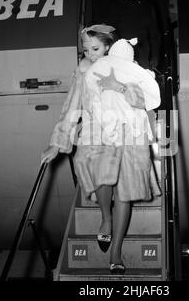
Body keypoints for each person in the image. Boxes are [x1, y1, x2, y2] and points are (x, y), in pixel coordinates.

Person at [41, 24, 160, 274]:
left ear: (108, 46)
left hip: (128, 134)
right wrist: (57, 142)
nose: (90, 54)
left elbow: (144, 103)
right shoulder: (84, 72)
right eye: (85, 49)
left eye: (95, 48)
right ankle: (106, 217)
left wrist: (120, 86)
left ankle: (115, 253)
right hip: (97, 135)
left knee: (125, 192)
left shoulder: (127, 68)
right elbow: (71, 107)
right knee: (103, 183)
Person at [106, 0, 161, 69]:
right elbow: (110, 32)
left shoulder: (148, 5)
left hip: (143, 57)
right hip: (122, 56)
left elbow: (154, 34)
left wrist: (154, 57)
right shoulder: (116, 6)